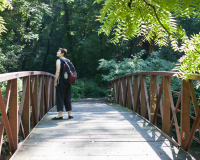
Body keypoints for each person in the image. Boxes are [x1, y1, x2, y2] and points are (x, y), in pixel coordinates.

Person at [52, 48, 74, 120]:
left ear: (62, 53)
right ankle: (69, 114)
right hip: (68, 81)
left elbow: (58, 72)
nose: (57, 52)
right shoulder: (68, 61)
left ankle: (60, 115)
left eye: (58, 51)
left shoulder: (59, 60)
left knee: (60, 97)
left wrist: (55, 81)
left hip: (61, 81)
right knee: (68, 97)